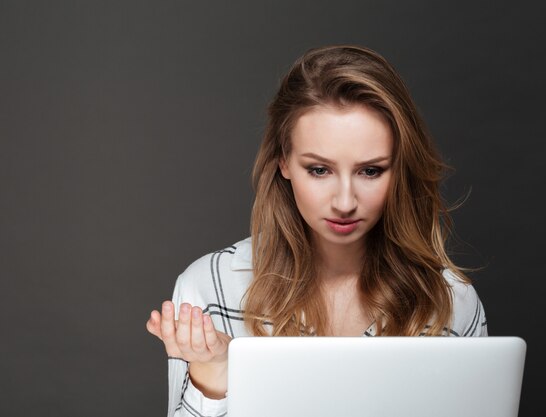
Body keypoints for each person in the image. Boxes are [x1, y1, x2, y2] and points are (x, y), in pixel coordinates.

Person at [146, 45, 488, 417]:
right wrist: (214, 376)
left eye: (370, 171)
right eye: (319, 170)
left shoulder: (448, 298)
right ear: (283, 161)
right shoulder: (209, 288)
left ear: (399, 169)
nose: (345, 201)